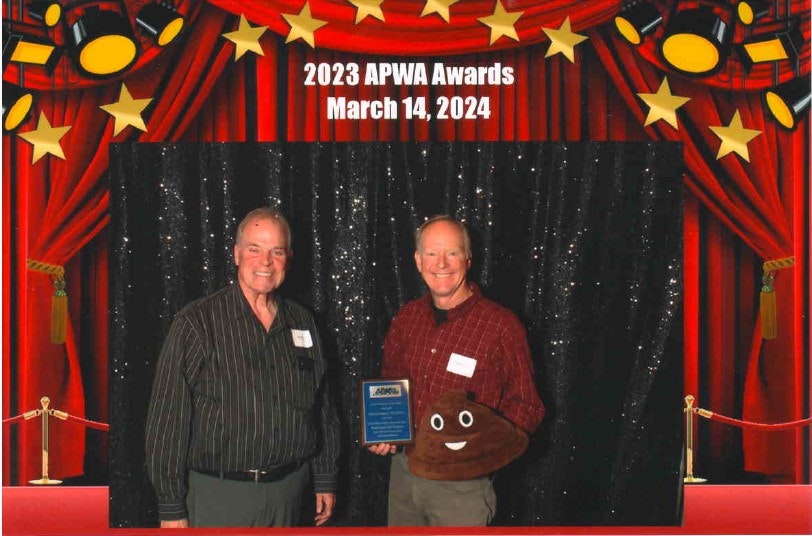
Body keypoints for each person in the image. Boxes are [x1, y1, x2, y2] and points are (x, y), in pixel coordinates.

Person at [145, 208, 340, 528]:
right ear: (236, 254)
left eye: (276, 251)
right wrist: (170, 506)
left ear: (288, 257)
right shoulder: (197, 322)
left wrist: (325, 477)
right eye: (254, 249)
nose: (266, 261)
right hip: (220, 496)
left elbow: (323, 408)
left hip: (291, 494)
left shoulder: (303, 321)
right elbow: (168, 419)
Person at [368, 215, 545, 526]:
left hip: (462, 488)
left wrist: (485, 456)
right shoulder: (406, 318)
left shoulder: (501, 325)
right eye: (433, 253)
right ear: (418, 261)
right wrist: (384, 431)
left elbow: (528, 406)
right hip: (404, 476)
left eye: (452, 252)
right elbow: (390, 384)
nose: (442, 263)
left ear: (468, 258)